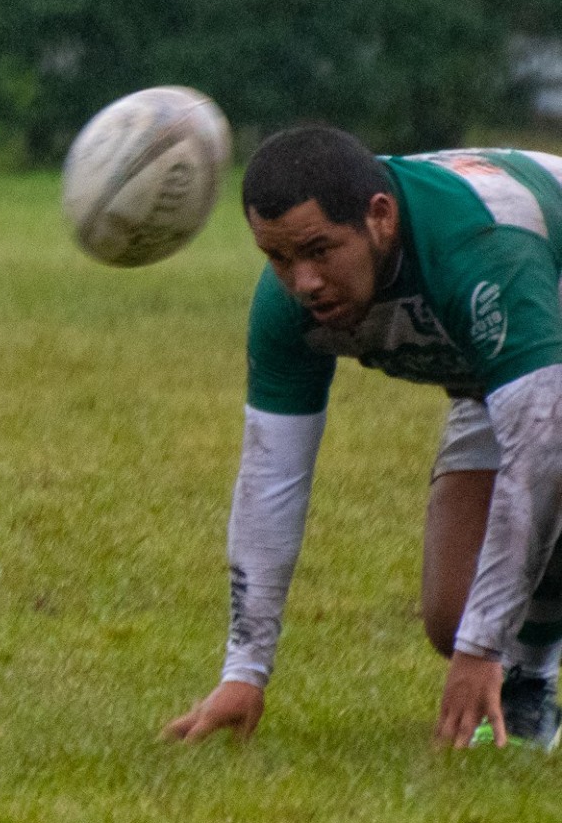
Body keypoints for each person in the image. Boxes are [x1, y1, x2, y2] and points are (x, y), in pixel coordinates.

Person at [167, 127, 562, 751]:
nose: (304, 282)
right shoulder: (287, 309)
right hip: (503, 380)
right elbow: (272, 478)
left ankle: (525, 679)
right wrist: (244, 672)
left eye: (320, 251)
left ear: (381, 217)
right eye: (278, 258)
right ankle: (531, 679)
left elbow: (545, 450)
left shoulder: (481, 250)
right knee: (454, 612)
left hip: (545, 345)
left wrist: (484, 650)